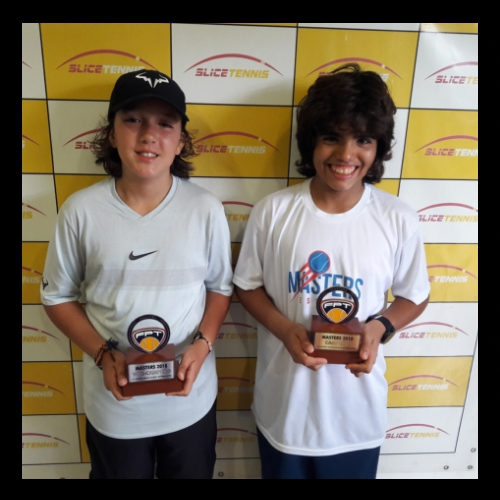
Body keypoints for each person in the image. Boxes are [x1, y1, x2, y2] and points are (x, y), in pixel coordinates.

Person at [233, 63, 430, 479]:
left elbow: (415, 295)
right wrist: (286, 330)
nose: (345, 155)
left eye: (363, 140)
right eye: (331, 137)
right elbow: (247, 287)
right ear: (311, 142)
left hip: (356, 419)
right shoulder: (273, 212)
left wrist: (380, 327)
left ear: (378, 148)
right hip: (285, 413)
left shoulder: (397, 218)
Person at [40, 69, 233, 479]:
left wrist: (202, 344)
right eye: (133, 120)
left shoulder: (205, 209)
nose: (149, 135)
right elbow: (56, 297)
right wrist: (101, 353)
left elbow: (220, 287)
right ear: (111, 133)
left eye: (165, 124)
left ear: (181, 141)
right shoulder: (81, 211)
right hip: (116, 408)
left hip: (190, 402)